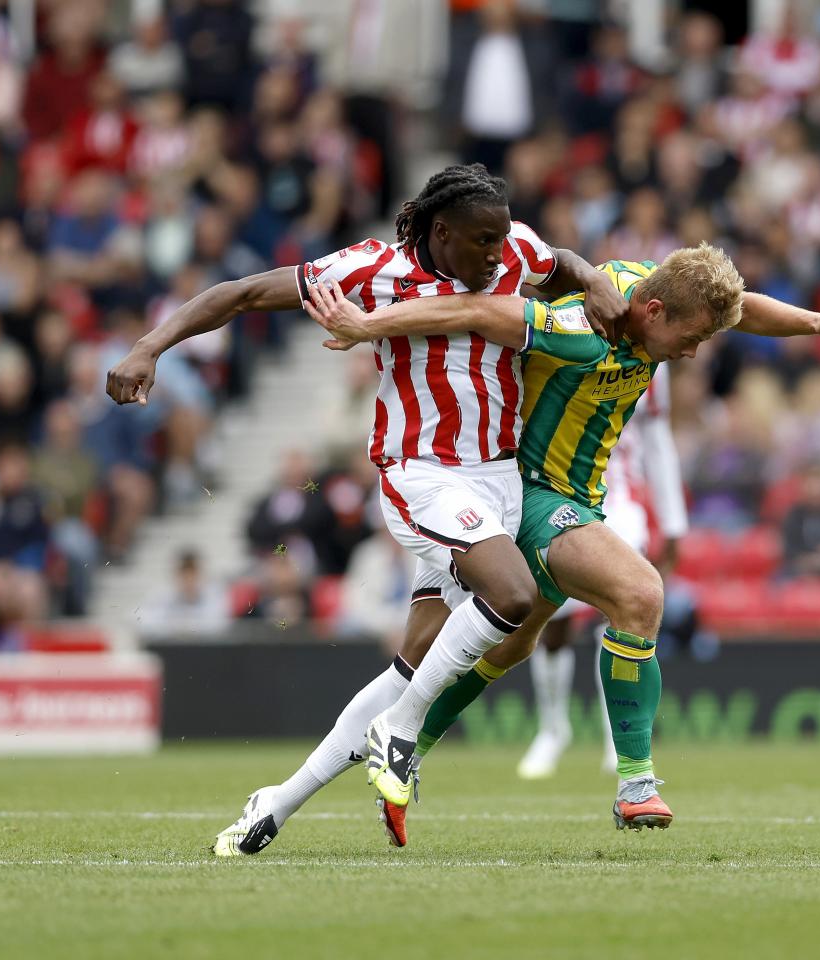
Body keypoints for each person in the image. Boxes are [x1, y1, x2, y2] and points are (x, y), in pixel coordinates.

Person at [105, 163, 628, 856]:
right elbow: (241, 294)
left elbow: (557, 262)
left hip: (499, 477)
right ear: (441, 233)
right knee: (514, 596)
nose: (499, 256)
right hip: (424, 474)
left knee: (414, 663)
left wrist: (592, 278)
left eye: (502, 240)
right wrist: (148, 346)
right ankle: (402, 731)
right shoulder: (369, 269)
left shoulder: (511, 250)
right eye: (482, 243)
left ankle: (275, 804)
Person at [303, 245, 820, 837]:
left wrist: (812, 321)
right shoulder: (575, 329)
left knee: (512, 648)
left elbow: (739, 308)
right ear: (653, 312)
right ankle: (636, 785)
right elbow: (471, 311)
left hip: (579, 494)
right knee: (640, 592)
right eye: (692, 337)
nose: (694, 352)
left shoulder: (650, 292)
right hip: (526, 493)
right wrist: (367, 325)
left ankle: (403, 737)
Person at [518, 365, 688, 781]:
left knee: (619, 611)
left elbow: (656, 434)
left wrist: (673, 520)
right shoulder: (558, 332)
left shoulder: (651, 353)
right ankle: (553, 728)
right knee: (550, 617)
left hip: (621, 499)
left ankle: (619, 735)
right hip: (557, 495)